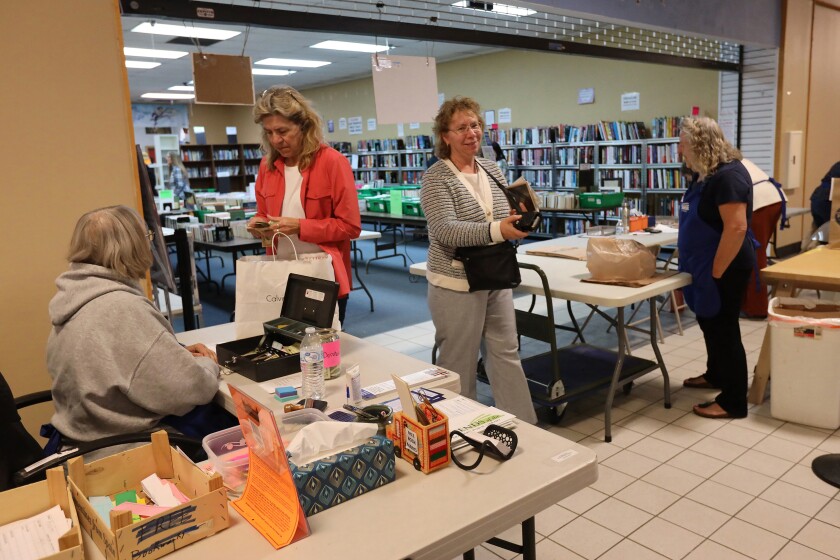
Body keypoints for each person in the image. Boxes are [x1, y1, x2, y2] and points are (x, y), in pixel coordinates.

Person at [46, 205, 234, 449]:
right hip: (126, 448)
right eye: (147, 238)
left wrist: (174, 355)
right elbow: (193, 390)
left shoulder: (73, 298)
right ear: (132, 248)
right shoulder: (122, 307)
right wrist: (208, 363)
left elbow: (118, 361)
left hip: (83, 437)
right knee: (250, 430)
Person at [420, 96, 537, 424]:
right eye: (461, 127)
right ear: (445, 136)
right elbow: (445, 230)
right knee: (459, 363)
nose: (471, 133)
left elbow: (500, 216)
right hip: (455, 282)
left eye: (475, 125)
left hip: (494, 276)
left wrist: (520, 218)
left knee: (506, 354)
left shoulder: (491, 168)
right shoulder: (435, 178)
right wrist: (499, 229)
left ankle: (525, 428)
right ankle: (461, 431)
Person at [247, 85, 361, 325]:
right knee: (282, 347)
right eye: (268, 132)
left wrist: (300, 226)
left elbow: (350, 227)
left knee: (322, 352)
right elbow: (263, 212)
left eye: (282, 131)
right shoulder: (266, 166)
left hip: (322, 276)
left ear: (304, 126)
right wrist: (259, 224)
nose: (276, 140)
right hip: (279, 276)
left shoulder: (332, 162)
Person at [677, 117, 756, 420]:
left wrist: (718, 272)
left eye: (683, 140)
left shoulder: (728, 176)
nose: (679, 147)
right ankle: (715, 375)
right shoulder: (703, 173)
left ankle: (734, 401)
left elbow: (736, 228)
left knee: (725, 331)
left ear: (699, 143)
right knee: (710, 323)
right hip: (706, 267)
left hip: (725, 267)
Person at [740, 158, 786, 319]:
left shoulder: (716, 164)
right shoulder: (733, 158)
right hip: (772, 197)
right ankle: (749, 303)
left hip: (761, 201)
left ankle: (756, 308)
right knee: (754, 255)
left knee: (754, 256)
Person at [810, 160, 840, 229]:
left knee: (821, 232)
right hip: (828, 202)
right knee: (831, 233)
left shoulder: (838, 165)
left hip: (818, 199)